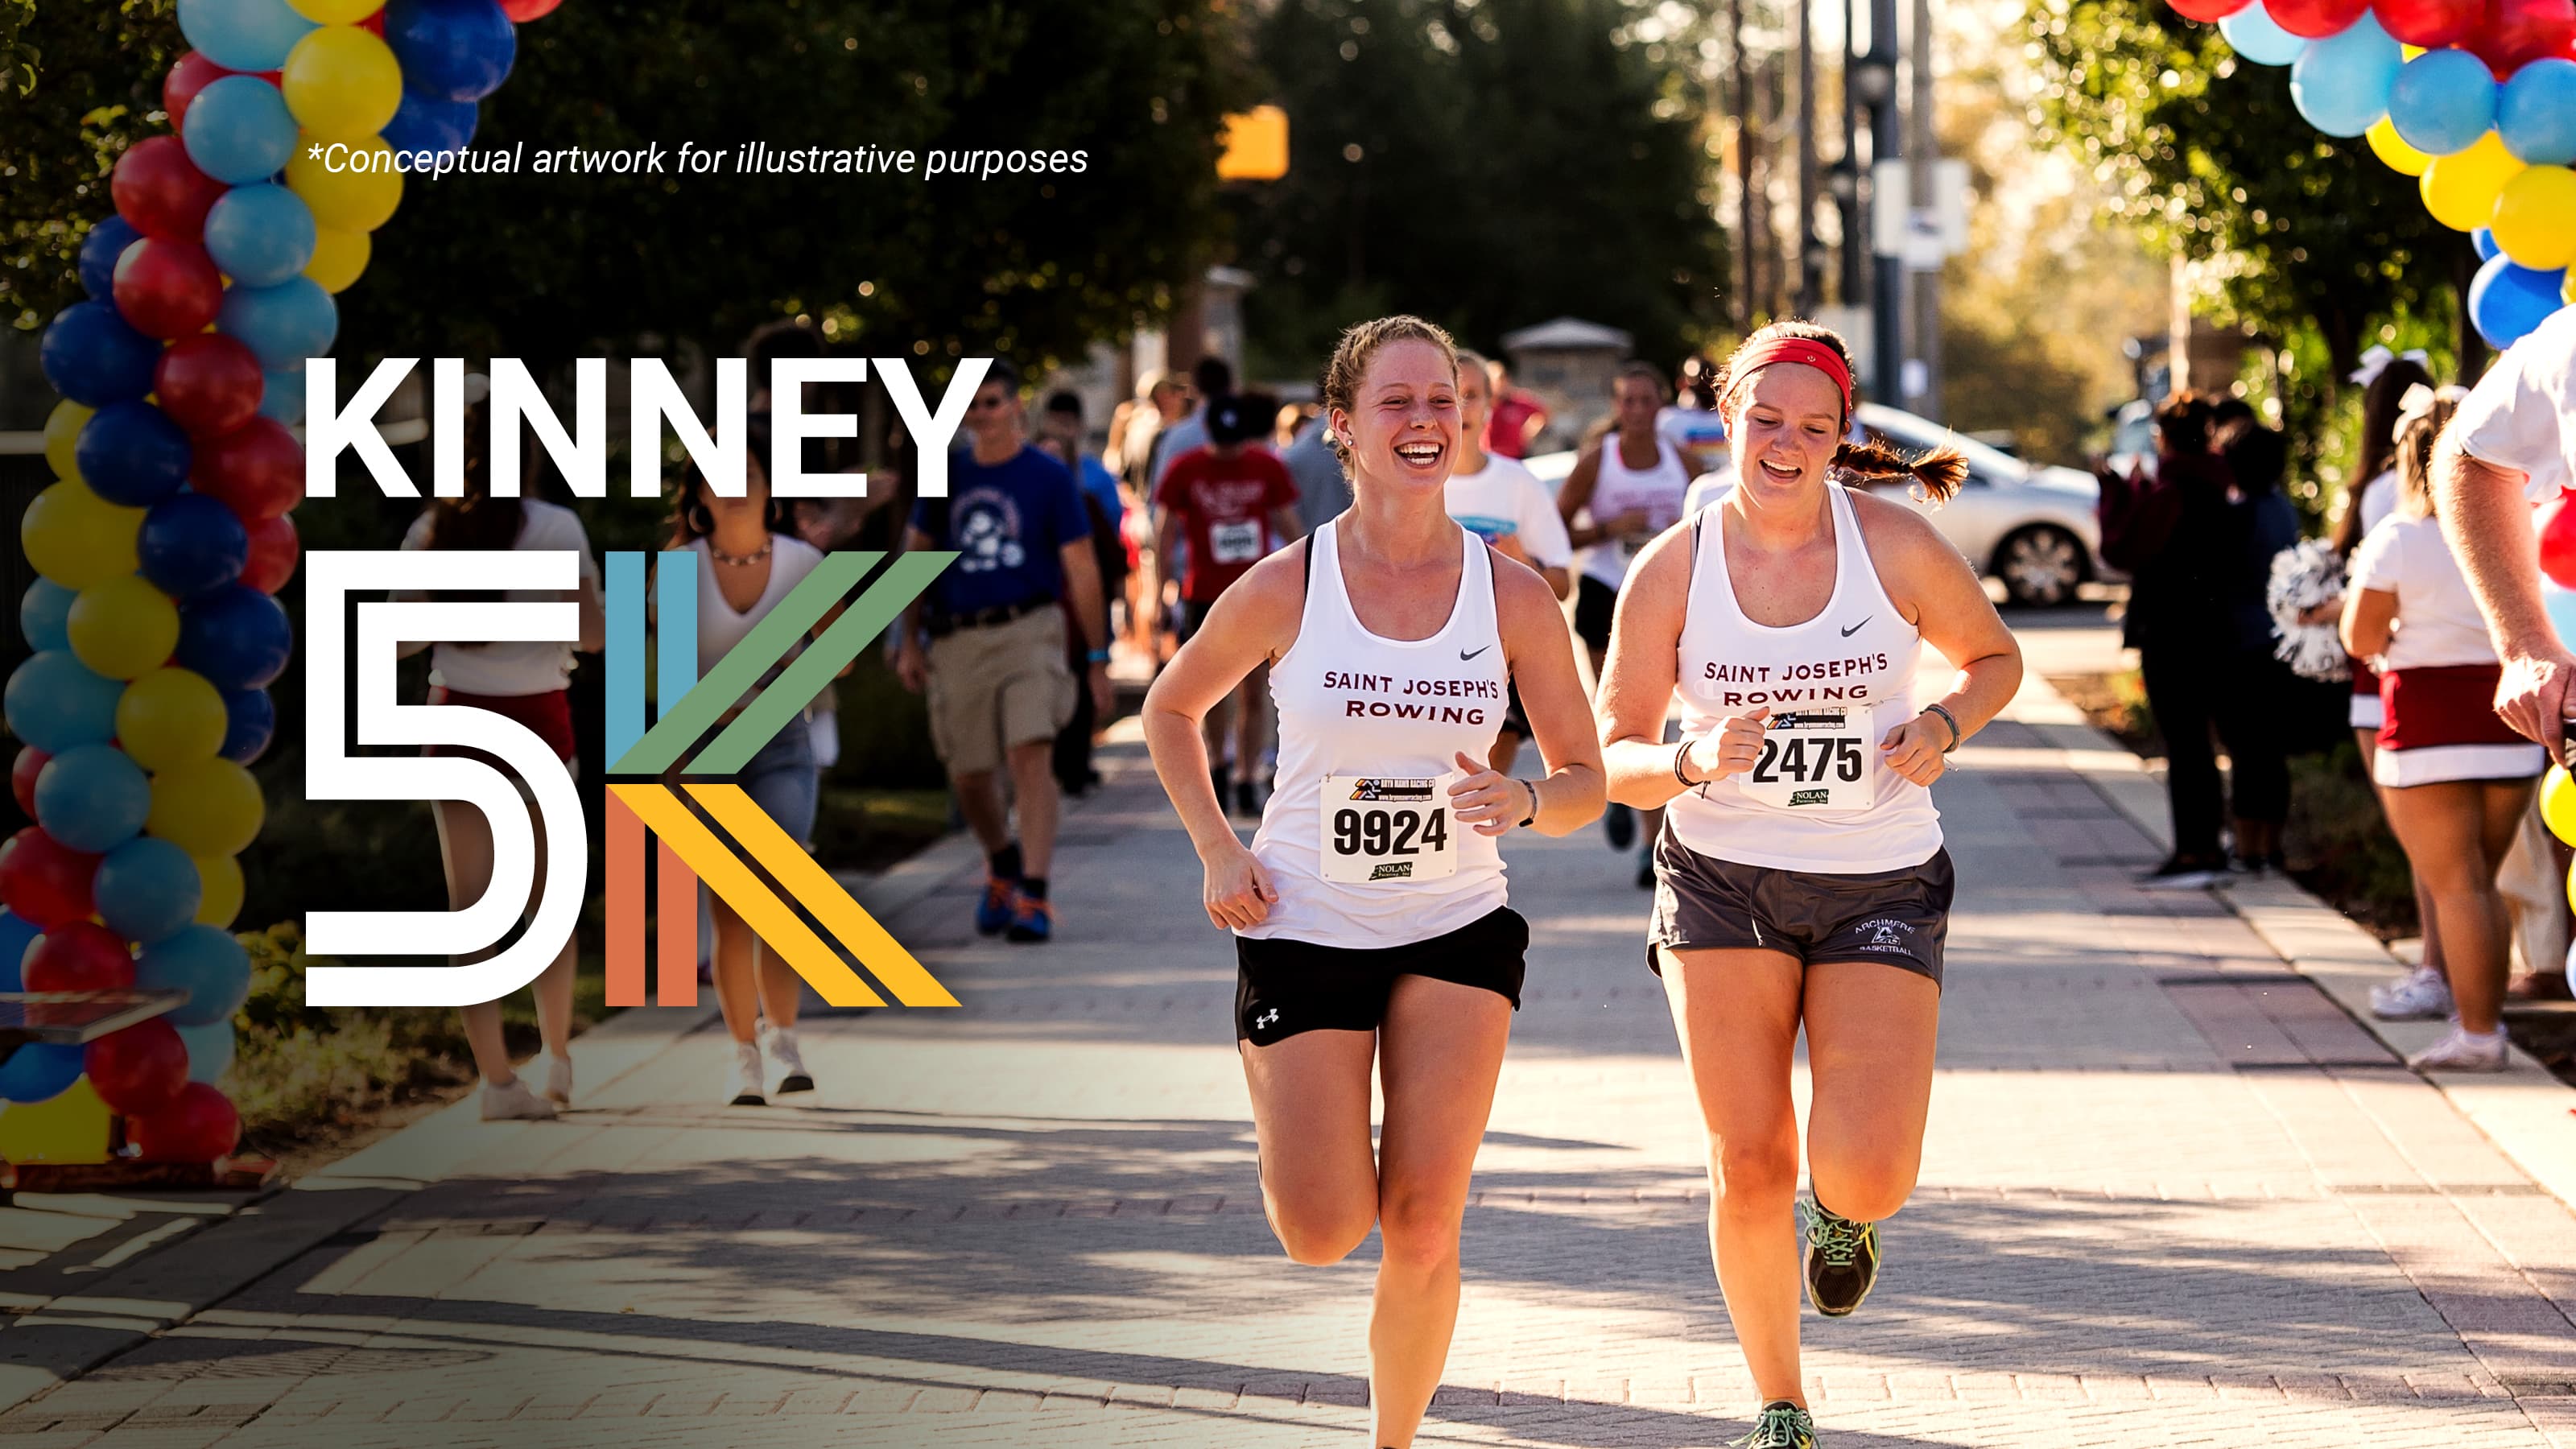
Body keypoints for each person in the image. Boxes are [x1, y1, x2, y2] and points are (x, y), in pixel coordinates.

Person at [1141, 315, 1604, 1449]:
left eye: (1443, 401)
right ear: (1343, 426)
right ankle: (1284, 1094)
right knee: (1320, 1228)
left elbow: (1588, 777)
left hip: (1456, 925)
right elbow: (1170, 708)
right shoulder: (1290, 584)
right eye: (1398, 402)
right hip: (1302, 922)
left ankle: (1391, 1440)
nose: (1426, 421)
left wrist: (1532, 801)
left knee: (1424, 1220)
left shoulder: (1515, 597)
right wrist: (1216, 846)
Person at [1597, 320, 2021, 1449]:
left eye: (1813, 427)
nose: (1785, 444)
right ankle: (1780, 1406)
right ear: (1728, 418)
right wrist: (1690, 758)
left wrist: (1942, 720)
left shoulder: (1894, 546)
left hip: (1879, 874)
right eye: (1766, 420)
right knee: (1747, 1160)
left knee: (1870, 1168)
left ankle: (1846, 1215)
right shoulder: (1671, 569)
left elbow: (1996, 660)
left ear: (1843, 440)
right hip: (1720, 878)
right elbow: (1613, 755)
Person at [399, 392, 605, 1122]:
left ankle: (495, 1086)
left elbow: (399, 641)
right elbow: (592, 636)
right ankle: (556, 1060)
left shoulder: (431, 530)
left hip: (457, 718)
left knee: (472, 912)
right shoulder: (557, 526)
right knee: (552, 906)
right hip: (539, 718)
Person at [2343, 385, 2541, 1072]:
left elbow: (2362, 636)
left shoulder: (2397, 538)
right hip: (2510, 721)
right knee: (2483, 881)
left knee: (2458, 887)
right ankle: (2480, 1027)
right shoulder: (2524, 529)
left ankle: (2480, 1035)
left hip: (2425, 726)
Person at [896, 359, 1115, 944]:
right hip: (957, 637)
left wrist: (1096, 657)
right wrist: (907, 639)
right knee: (970, 775)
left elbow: (1082, 567)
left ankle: (1035, 895)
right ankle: (1001, 860)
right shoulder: (947, 475)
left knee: (1030, 754)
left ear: (1017, 406)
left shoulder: (1047, 477)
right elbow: (915, 560)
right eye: (971, 407)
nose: (982, 416)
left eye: (992, 403)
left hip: (1030, 629)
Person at [668, 417, 832, 1104]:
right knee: (729, 908)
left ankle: (784, 1039)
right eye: (719, 479)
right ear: (699, 494)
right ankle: (742, 1055)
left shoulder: (800, 563)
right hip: (708, 752)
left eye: (749, 478)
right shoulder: (678, 570)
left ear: (770, 493)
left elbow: (841, 653)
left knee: (782, 893)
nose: (735, 491)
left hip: (784, 745)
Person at [2323, 350, 2449, 1015]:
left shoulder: (2385, 500)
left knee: (2424, 839)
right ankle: (2446, 970)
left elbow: (2374, 597)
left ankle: (2436, 969)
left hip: (2387, 678)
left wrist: (2324, 611)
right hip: (2403, 673)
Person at [2098, 392, 2265, 888]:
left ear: (2166, 437)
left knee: (2185, 743)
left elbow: (2124, 547)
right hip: (2218, 631)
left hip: (2170, 633)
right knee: (2206, 742)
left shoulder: (2170, 491)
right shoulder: (2222, 488)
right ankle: (2210, 844)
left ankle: (2197, 850)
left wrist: (2113, 491)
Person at [1559, 361, 1694, 885]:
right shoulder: (1599, 462)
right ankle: (1621, 795)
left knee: (1654, 717)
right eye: (1628, 402)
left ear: (1661, 406)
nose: (1637, 411)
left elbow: (1715, 523)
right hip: (1603, 588)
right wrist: (1609, 529)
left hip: (1660, 595)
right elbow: (1558, 534)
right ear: (1617, 408)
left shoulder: (1681, 462)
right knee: (1619, 711)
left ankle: (1642, 834)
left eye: (1646, 401)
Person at [1154, 393, 1304, 815]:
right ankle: (1217, 765)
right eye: (1222, 443)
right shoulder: (1186, 469)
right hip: (1204, 593)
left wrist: (1305, 585)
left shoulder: (1265, 466)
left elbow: (1291, 526)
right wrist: (1159, 592)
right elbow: (1164, 532)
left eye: (1235, 443)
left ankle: (1245, 774)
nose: (1229, 452)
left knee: (1256, 694)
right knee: (1211, 695)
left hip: (1257, 597)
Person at [1448, 349, 1575, 774]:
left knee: (1481, 798)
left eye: (1471, 394)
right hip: (1424, 664)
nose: (1460, 407)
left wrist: (1524, 565)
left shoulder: (1518, 484)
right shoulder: (1409, 485)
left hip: (1498, 666)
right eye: (1447, 395)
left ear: (1491, 404)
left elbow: (1561, 584)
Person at [2214, 418, 2298, 873]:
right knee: (2272, 751)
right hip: (2280, 642)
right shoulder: (2284, 510)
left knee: (2245, 751)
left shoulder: (2236, 514)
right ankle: (2272, 845)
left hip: (2241, 644)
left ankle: (2247, 849)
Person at [1039, 390, 1128, 797]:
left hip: (1077, 611)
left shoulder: (1090, 494)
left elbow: (1109, 554)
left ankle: (1074, 765)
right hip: (1037, 614)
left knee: (1077, 686)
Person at [1147, 353, 1236, 489]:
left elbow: (1160, 491)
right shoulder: (1247, 435)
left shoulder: (1176, 437)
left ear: (1195, 389)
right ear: (1231, 387)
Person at [1659, 353, 1733, 478]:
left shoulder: (1733, 417)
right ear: (1682, 383)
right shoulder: (1668, 421)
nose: (1703, 383)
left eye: (1709, 377)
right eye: (1696, 378)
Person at [1482, 354, 1549, 459]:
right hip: (1489, 457)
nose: (1500, 383)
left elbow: (1542, 413)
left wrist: (1529, 432)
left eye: (1502, 378)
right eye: (1496, 380)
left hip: (1515, 457)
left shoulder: (1518, 401)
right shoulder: (1482, 402)